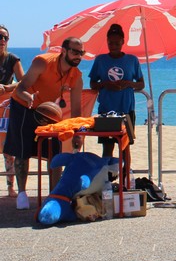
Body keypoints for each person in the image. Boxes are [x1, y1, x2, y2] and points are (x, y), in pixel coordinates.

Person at [4, 38, 85, 210]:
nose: (78, 56)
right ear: (64, 51)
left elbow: (77, 110)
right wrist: (29, 97)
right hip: (23, 105)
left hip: (47, 111)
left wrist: (78, 133)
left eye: (81, 53)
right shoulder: (42, 62)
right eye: (75, 52)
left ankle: (54, 194)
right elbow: (21, 88)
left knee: (55, 151)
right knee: (23, 150)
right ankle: (22, 193)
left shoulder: (77, 76)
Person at [88, 23, 144, 182]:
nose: (113, 46)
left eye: (117, 43)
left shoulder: (132, 60)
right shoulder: (100, 60)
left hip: (126, 109)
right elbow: (93, 84)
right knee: (107, 146)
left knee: (125, 146)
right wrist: (106, 84)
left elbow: (141, 84)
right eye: (110, 43)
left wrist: (128, 83)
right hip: (106, 110)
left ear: (123, 42)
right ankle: (106, 181)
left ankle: (125, 181)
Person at [0, 25, 26, 197]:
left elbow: (24, 81)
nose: (2, 40)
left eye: (5, 37)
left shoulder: (12, 59)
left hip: (6, 109)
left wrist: (7, 87)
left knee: (8, 149)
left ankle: (11, 187)